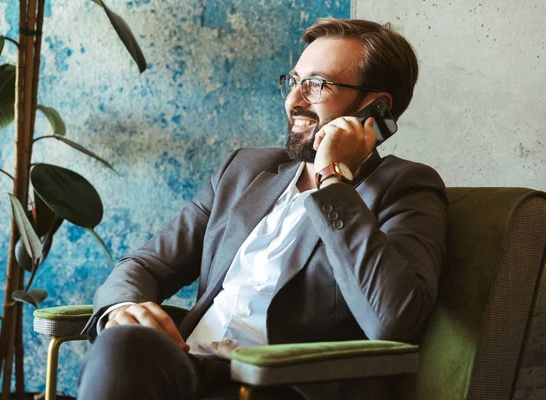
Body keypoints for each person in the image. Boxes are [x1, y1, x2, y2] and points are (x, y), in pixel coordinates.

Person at [77, 18, 448, 400]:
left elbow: (392, 319)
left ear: (376, 108)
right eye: (294, 81)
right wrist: (122, 309)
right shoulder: (245, 170)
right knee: (121, 344)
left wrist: (333, 177)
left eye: (317, 85)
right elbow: (145, 264)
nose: (294, 100)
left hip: (275, 386)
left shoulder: (405, 188)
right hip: (185, 370)